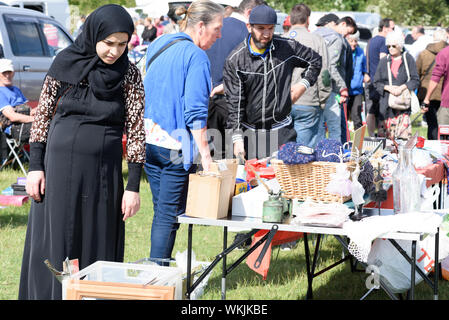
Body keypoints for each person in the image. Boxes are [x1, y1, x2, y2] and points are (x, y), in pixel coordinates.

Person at [19, 4, 145, 300]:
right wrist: (36, 166)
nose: (114, 51)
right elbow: (43, 116)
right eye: (108, 43)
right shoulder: (65, 63)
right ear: (93, 36)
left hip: (103, 172)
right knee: (58, 240)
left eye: (122, 44)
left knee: (97, 237)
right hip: (59, 168)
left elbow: (137, 130)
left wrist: (133, 186)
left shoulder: (129, 75)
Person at [143, 0, 223, 263]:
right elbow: (195, 114)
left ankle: (160, 272)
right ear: (200, 26)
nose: (219, 35)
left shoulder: (159, 44)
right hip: (173, 147)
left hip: (149, 141)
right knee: (168, 215)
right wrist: (207, 160)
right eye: (217, 29)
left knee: (162, 213)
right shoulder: (196, 56)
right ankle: (158, 276)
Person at [224, 4, 322, 160]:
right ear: (249, 26)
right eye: (261, 28)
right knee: (254, 181)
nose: (266, 33)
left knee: (285, 182)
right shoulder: (235, 60)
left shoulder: (287, 47)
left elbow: (315, 61)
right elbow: (234, 104)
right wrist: (237, 138)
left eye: (270, 28)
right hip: (251, 133)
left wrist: (303, 85)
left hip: (282, 131)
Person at [206, 0, 265, 159]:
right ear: (249, 12)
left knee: (212, 156)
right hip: (235, 102)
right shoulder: (249, 33)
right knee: (237, 156)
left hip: (208, 98)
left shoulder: (211, 27)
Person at [286, 3, 331, 148]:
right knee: (305, 151)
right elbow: (324, 74)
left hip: (283, 101)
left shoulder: (280, 39)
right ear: (308, 20)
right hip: (308, 100)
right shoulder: (317, 40)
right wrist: (322, 99)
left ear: (291, 19)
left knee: (284, 150)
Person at [314, 14, 357, 144]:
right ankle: (335, 155)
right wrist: (342, 87)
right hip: (330, 88)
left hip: (311, 88)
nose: (346, 36)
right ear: (342, 24)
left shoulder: (314, 35)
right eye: (348, 32)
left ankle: (319, 156)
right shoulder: (336, 39)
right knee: (334, 126)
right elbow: (332, 66)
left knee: (319, 126)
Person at [374, 31, 419, 141]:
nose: (391, 48)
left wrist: (402, 88)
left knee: (403, 141)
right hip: (386, 107)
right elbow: (376, 82)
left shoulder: (408, 59)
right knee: (385, 142)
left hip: (403, 107)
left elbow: (415, 80)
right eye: (388, 46)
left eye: (394, 46)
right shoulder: (384, 61)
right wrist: (388, 88)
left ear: (400, 46)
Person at [365, 18, 395, 137]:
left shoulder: (371, 41)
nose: (393, 31)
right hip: (379, 82)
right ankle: (383, 134)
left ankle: (371, 135)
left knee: (370, 110)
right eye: (392, 28)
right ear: (385, 28)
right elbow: (383, 59)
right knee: (382, 110)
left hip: (370, 80)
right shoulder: (383, 41)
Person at [0, 59, 34, 161]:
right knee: (43, 128)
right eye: (4, 73)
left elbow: (30, 110)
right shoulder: (0, 92)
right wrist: (35, 119)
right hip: (13, 128)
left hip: (26, 124)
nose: (7, 75)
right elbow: (12, 116)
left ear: (13, 73)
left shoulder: (16, 90)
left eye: (9, 72)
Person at [416, 29, 448, 140]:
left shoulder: (424, 53)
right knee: (443, 125)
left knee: (432, 124)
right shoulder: (446, 51)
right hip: (443, 93)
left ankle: (434, 146)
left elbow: (417, 73)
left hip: (428, 91)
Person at [423, 39, 449, 130]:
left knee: (444, 140)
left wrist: (427, 98)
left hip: (447, 103)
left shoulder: (445, 53)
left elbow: (436, 77)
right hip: (446, 103)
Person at [346, 31, 370, 131]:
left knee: (356, 116)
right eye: (351, 41)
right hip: (345, 89)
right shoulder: (344, 52)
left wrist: (366, 75)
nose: (353, 43)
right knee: (344, 117)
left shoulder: (360, 52)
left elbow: (364, 69)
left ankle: (359, 142)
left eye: (355, 41)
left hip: (357, 89)